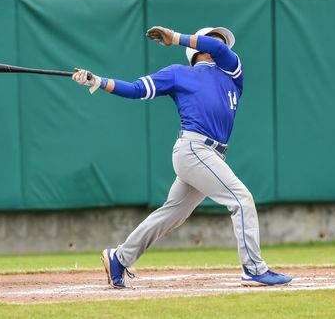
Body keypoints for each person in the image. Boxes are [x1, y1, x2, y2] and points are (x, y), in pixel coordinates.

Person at [72, 26, 292, 288]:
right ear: (197, 49)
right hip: (193, 149)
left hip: (211, 154)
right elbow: (135, 89)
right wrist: (98, 81)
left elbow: (220, 50)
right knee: (241, 200)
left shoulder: (233, 73)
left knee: (172, 214)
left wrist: (175, 37)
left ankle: (119, 258)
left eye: (221, 42)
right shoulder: (178, 74)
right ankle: (254, 269)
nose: (222, 45)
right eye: (214, 39)